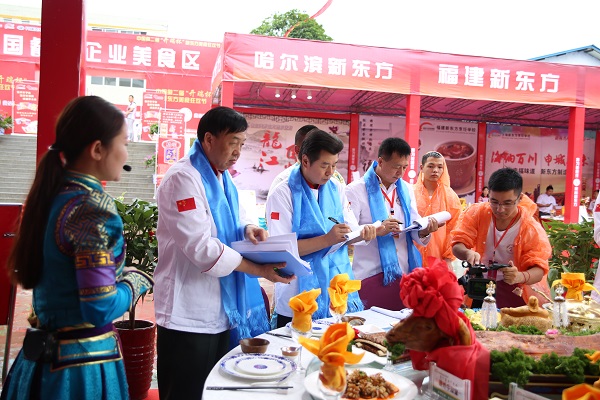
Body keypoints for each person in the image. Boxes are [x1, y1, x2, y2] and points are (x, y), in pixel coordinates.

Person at [1, 96, 153, 399]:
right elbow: (98, 308)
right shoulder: (91, 208)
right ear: (97, 149)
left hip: (38, 364)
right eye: (123, 142)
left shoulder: (50, 198)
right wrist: (135, 280)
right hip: (81, 371)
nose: (126, 152)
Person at [153, 106, 294, 400]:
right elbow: (202, 248)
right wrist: (259, 271)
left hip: (221, 308)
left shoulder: (221, 177)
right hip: (188, 311)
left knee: (214, 389)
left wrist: (248, 229)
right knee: (185, 391)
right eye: (233, 143)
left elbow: (234, 217)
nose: (238, 152)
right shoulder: (184, 178)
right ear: (208, 139)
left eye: (243, 144)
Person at [266, 129, 376, 328]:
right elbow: (281, 250)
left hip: (335, 287)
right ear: (305, 161)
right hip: (298, 291)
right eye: (325, 165)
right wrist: (326, 240)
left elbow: (349, 229)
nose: (330, 172)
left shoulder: (336, 187)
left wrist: (362, 233)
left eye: (334, 165)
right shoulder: (283, 193)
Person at [345, 138, 440, 310]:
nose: (400, 172)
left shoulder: (406, 188)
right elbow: (349, 233)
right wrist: (377, 229)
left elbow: (412, 225)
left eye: (404, 167)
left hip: (403, 272)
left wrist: (424, 231)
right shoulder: (355, 190)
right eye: (397, 166)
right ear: (380, 161)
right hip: (369, 273)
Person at [451, 167, 552, 309]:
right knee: (475, 323)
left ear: (520, 199)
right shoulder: (477, 213)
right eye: (494, 201)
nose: (499, 209)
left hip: (513, 288)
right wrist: (467, 253)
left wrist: (520, 277)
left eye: (507, 203)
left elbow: (539, 269)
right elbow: (457, 244)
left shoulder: (530, 227)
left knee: (510, 325)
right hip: (479, 283)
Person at [413, 151, 462, 268]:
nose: (435, 170)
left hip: (438, 258)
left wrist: (448, 257)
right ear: (422, 168)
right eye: (430, 166)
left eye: (440, 167)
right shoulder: (410, 193)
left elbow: (455, 228)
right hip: (412, 255)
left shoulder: (450, 196)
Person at [267, 124, 345, 196]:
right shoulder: (283, 183)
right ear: (298, 150)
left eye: (334, 165)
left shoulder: (336, 183)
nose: (330, 172)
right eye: (308, 145)